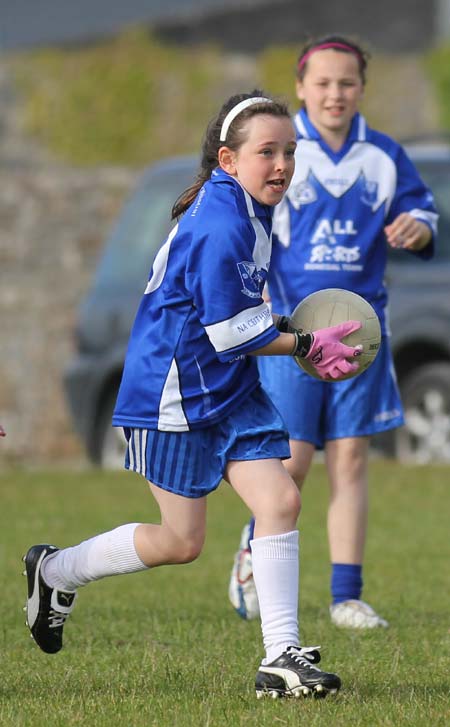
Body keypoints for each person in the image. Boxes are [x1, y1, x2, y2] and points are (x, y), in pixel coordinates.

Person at [23, 90, 363, 698]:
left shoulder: (250, 210)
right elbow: (231, 334)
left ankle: (281, 658)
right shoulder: (219, 221)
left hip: (228, 389)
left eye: (290, 151)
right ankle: (54, 571)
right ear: (229, 160)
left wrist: (297, 332)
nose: (282, 164)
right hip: (171, 397)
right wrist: (306, 346)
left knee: (280, 501)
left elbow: (242, 320)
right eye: (268, 152)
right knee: (181, 543)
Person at [228, 37, 438, 629]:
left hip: (361, 331)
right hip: (291, 335)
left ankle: (347, 596)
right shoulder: (278, 151)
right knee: (291, 465)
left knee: (349, 462)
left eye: (346, 82)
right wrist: (254, 288)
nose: (334, 93)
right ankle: (253, 546)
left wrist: (416, 230)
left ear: (361, 89)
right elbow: (240, 225)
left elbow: (423, 213)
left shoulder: (385, 154)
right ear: (300, 86)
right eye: (322, 83)